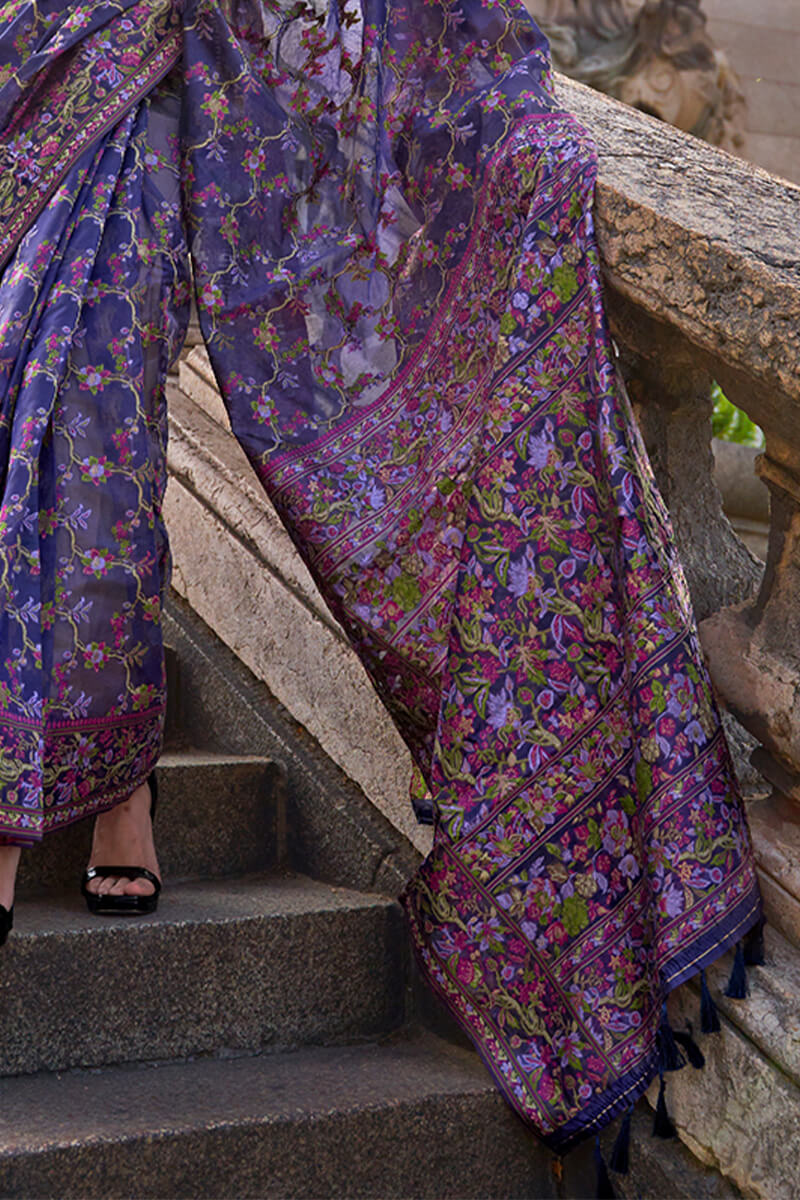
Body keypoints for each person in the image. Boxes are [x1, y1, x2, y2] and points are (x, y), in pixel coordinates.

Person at [0, 0, 762, 1162]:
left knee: (102, 445)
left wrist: (495, 108)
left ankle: (112, 788)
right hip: (48, 65)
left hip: (207, 78)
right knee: (31, 405)